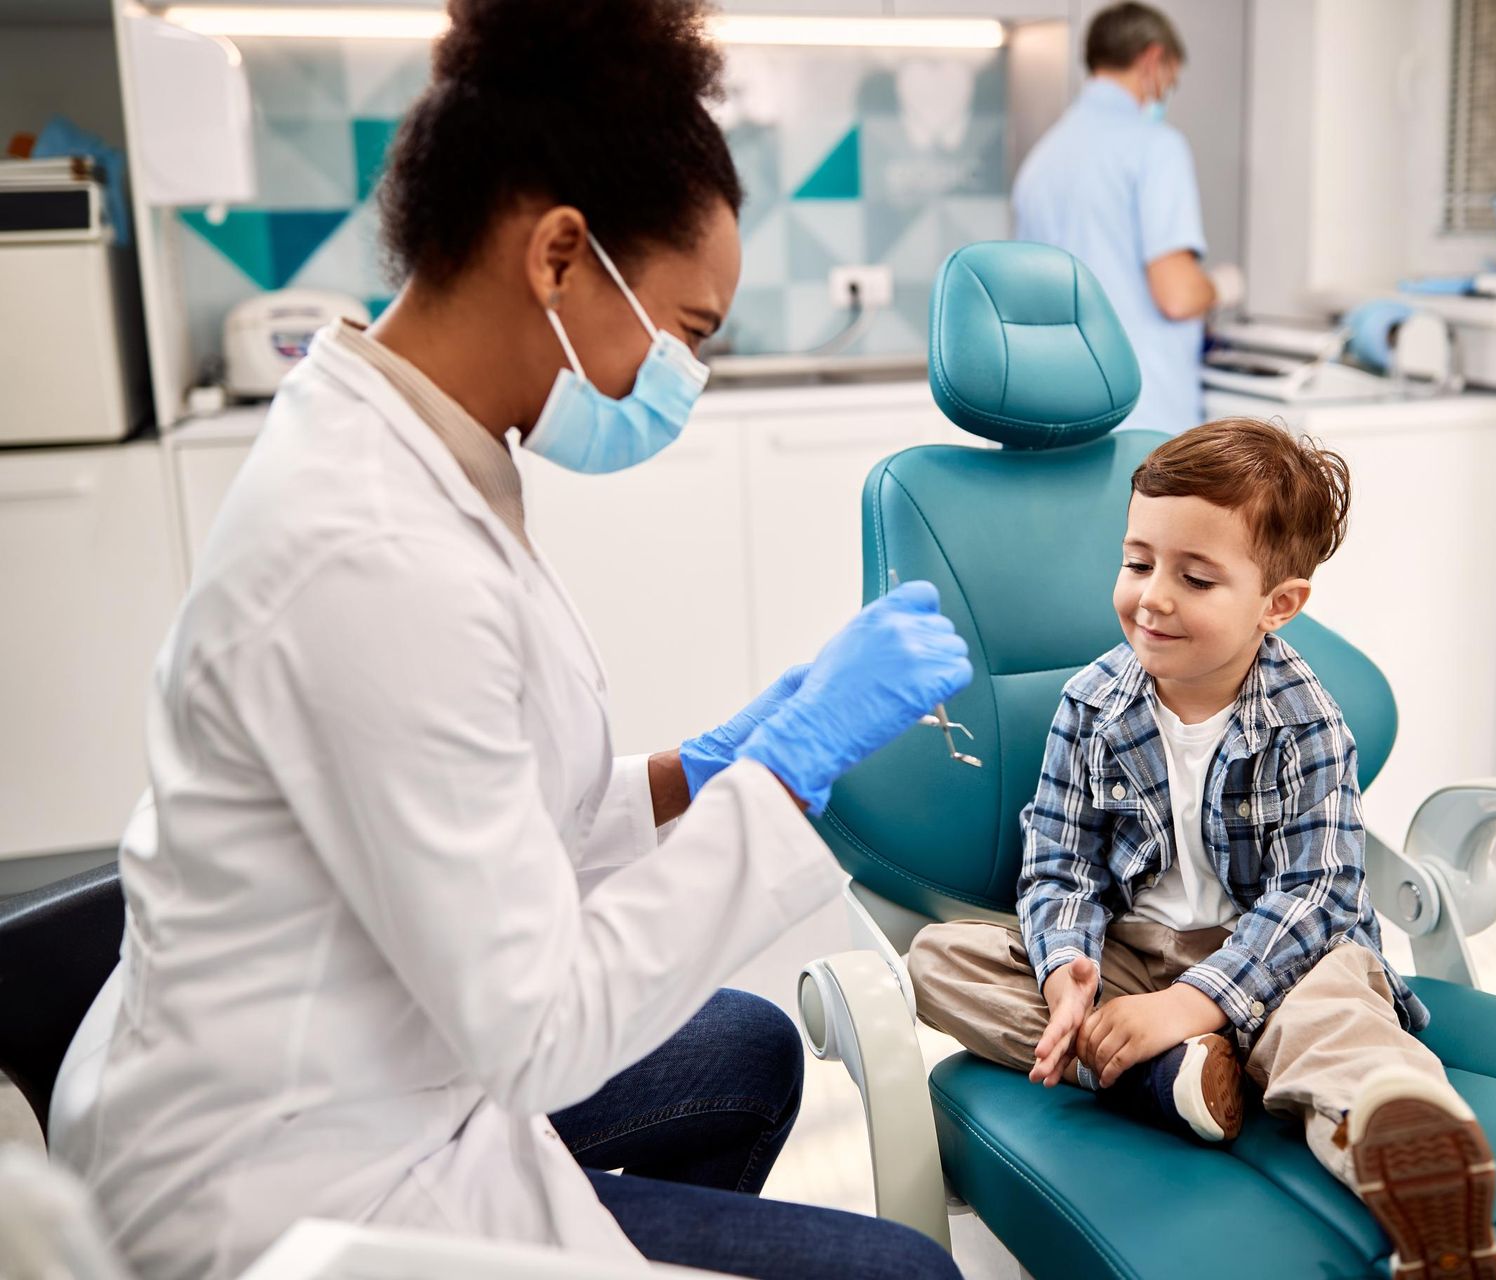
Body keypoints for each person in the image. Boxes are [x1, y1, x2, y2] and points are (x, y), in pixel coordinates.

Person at [47, 3, 969, 1278]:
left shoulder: (418, 442)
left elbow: (491, 806)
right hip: (281, 1172)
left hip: (385, 1037)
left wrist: (699, 769)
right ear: (558, 257)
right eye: (687, 331)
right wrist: (780, 777)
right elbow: (541, 1026)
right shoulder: (370, 552)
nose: (684, 376)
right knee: (904, 1272)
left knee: (746, 1050)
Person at [908, 419, 1496, 1280]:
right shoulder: (1091, 705)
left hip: (1278, 960)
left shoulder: (1308, 722)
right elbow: (1058, 864)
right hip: (1132, 960)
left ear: (1278, 604)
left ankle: (1405, 1153)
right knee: (939, 958)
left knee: (1337, 1013)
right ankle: (1178, 1077)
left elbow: (1314, 899)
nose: (1152, 597)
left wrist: (1196, 1003)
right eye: (1138, 562)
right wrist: (1064, 964)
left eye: (1194, 577)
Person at [1012, 2, 1239, 436]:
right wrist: (1220, 288)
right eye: (1170, 80)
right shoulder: (1156, 147)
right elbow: (1176, 294)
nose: (1165, 93)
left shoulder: (1042, 160)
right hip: (1140, 413)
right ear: (1152, 59)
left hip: (1059, 408)